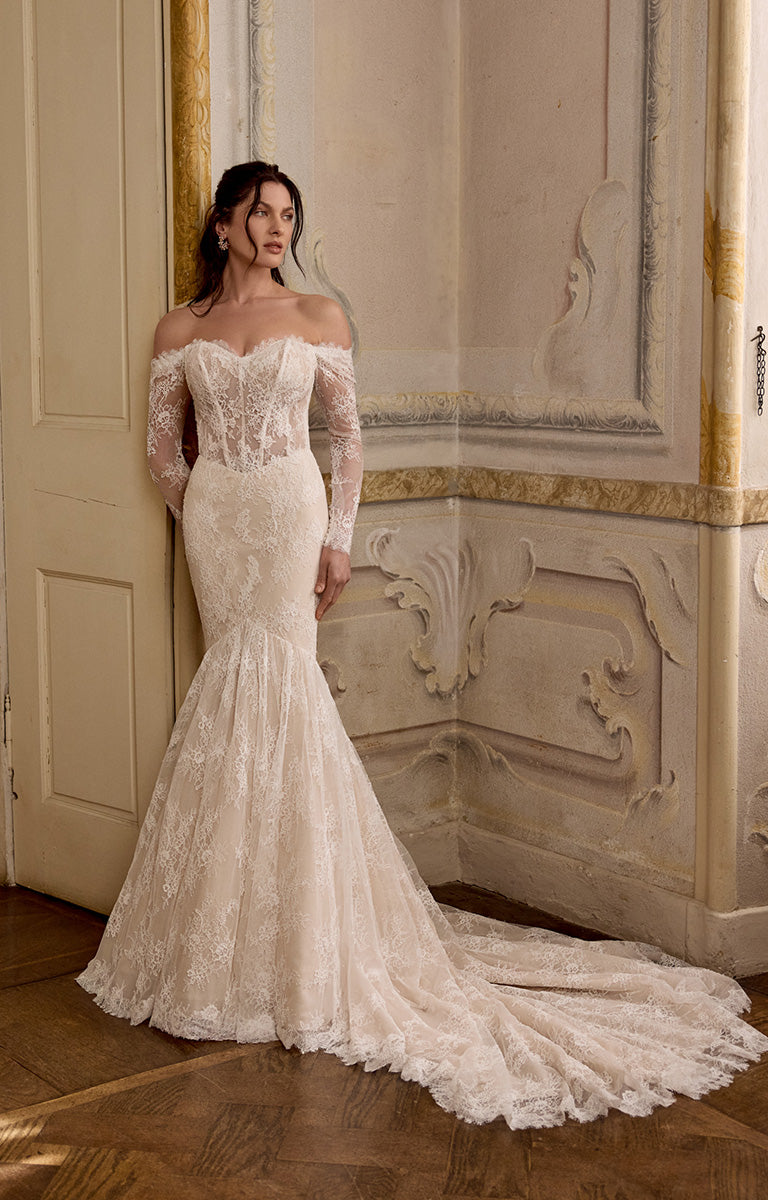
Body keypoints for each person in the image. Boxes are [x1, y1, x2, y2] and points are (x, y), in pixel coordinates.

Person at [79, 161, 768, 1130]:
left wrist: (336, 540)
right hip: (221, 525)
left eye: (288, 216)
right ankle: (230, 942)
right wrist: (208, 511)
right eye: (260, 214)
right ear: (225, 225)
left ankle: (310, 944)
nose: (276, 229)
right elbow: (163, 454)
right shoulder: (178, 330)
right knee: (229, 694)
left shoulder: (318, 317)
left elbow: (349, 441)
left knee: (280, 692)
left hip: (286, 514)